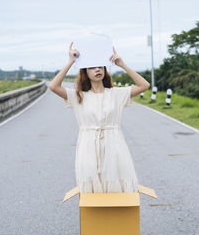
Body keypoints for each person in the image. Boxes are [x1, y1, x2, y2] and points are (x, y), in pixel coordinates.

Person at [49, 42, 150, 193]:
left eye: (101, 67)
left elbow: (144, 85)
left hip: (114, 144)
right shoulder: (78, 96)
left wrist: (122, 64)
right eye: (92, 67)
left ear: (105, 70)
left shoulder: (116, 94)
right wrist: (71, 61)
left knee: (117, 182)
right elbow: (53, 86)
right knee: (92, 185)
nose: (97, 69)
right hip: (87, 145)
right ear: (85, 72)